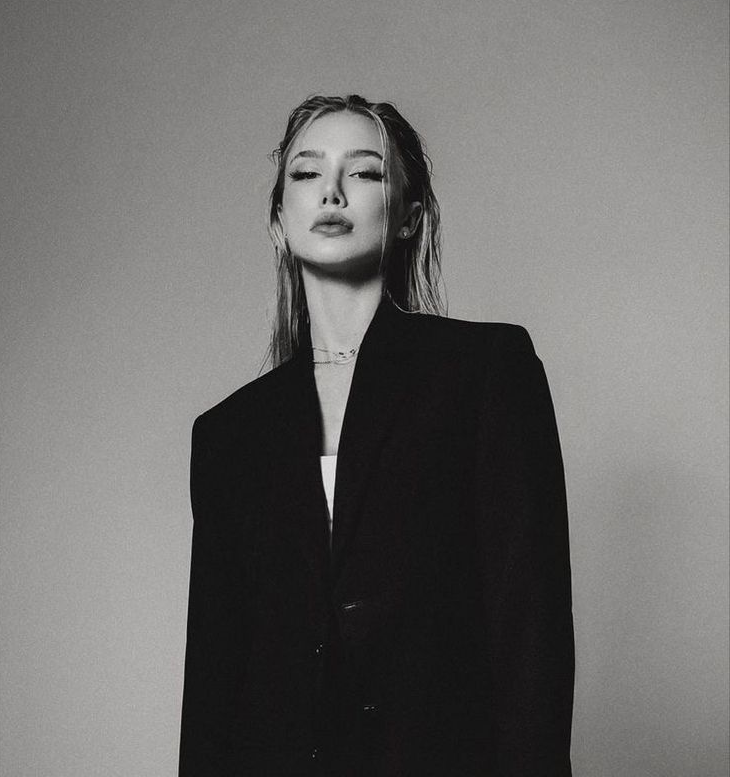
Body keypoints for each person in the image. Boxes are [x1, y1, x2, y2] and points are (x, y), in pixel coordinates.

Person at [179, 95, 574, 776]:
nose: (330, 190)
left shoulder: (484, 374)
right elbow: (216, 677)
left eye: (364, 172)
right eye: (305, 174)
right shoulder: (228, 434)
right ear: (278, 222)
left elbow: (528, 632)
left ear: (409, 216)